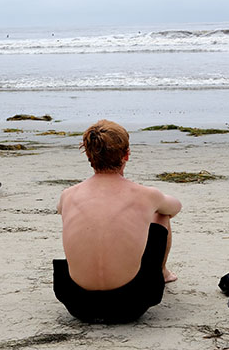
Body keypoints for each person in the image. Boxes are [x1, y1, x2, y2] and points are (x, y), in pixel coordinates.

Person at [53, 120, 182, 323]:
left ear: (88, 156)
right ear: (127, 155)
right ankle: (163, 272)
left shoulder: (68, 195)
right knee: (161, 214)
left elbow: (60, 210)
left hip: (77, 303)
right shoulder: (146, 195)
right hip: (131, 304)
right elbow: (175, 207)